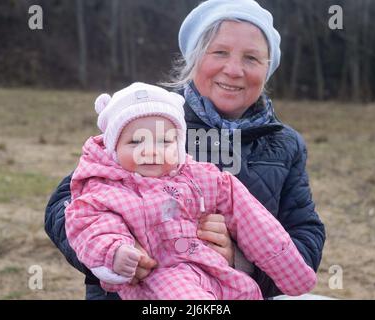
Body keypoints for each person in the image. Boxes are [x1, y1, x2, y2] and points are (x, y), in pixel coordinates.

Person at [45, 0, 325, 299]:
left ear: (267, 69)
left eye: (252, 58)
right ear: (194, 58)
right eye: (219, 52)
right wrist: (113, 250)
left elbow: (305, 234)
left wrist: (239, 261)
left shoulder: (285, 143)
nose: (233, 70)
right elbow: (66, 204)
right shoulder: (150, 119)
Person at [64, 82, 317, 300]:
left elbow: (254, 220)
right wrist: (115, 253)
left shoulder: (202, 176)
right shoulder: (105, 188)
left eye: (165, 141)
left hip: (219, 272)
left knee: (248, 292)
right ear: (113, 147)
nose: (151, 150)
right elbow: (90, 225)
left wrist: (290, 269)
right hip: (164, 278)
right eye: (136, 141)